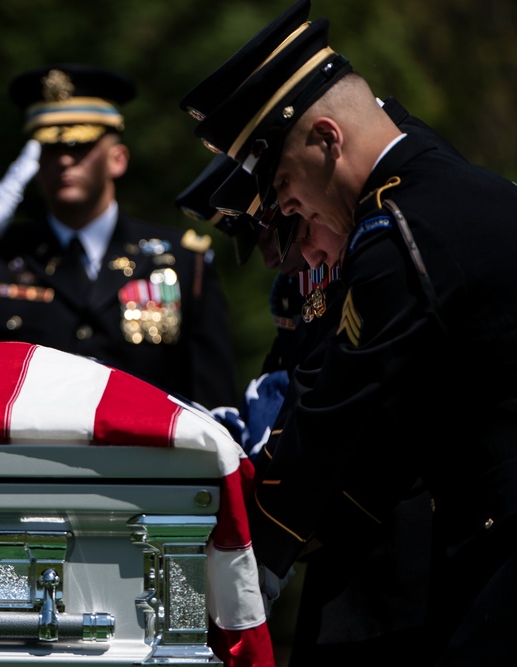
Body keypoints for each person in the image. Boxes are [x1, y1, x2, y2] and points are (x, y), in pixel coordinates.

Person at [183, 3, 517, 664]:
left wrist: (254, 562)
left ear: (327, 139)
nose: (285, 212)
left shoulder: (399, 235)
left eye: (282, 186)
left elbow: (337, 417)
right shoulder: (434, 191)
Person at [0, 64, 237, 408]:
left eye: (80, 145)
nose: (64, 160)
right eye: (49, 147)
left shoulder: (182, 260)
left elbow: (214, 399)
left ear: (117, 159)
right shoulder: (0, 259)